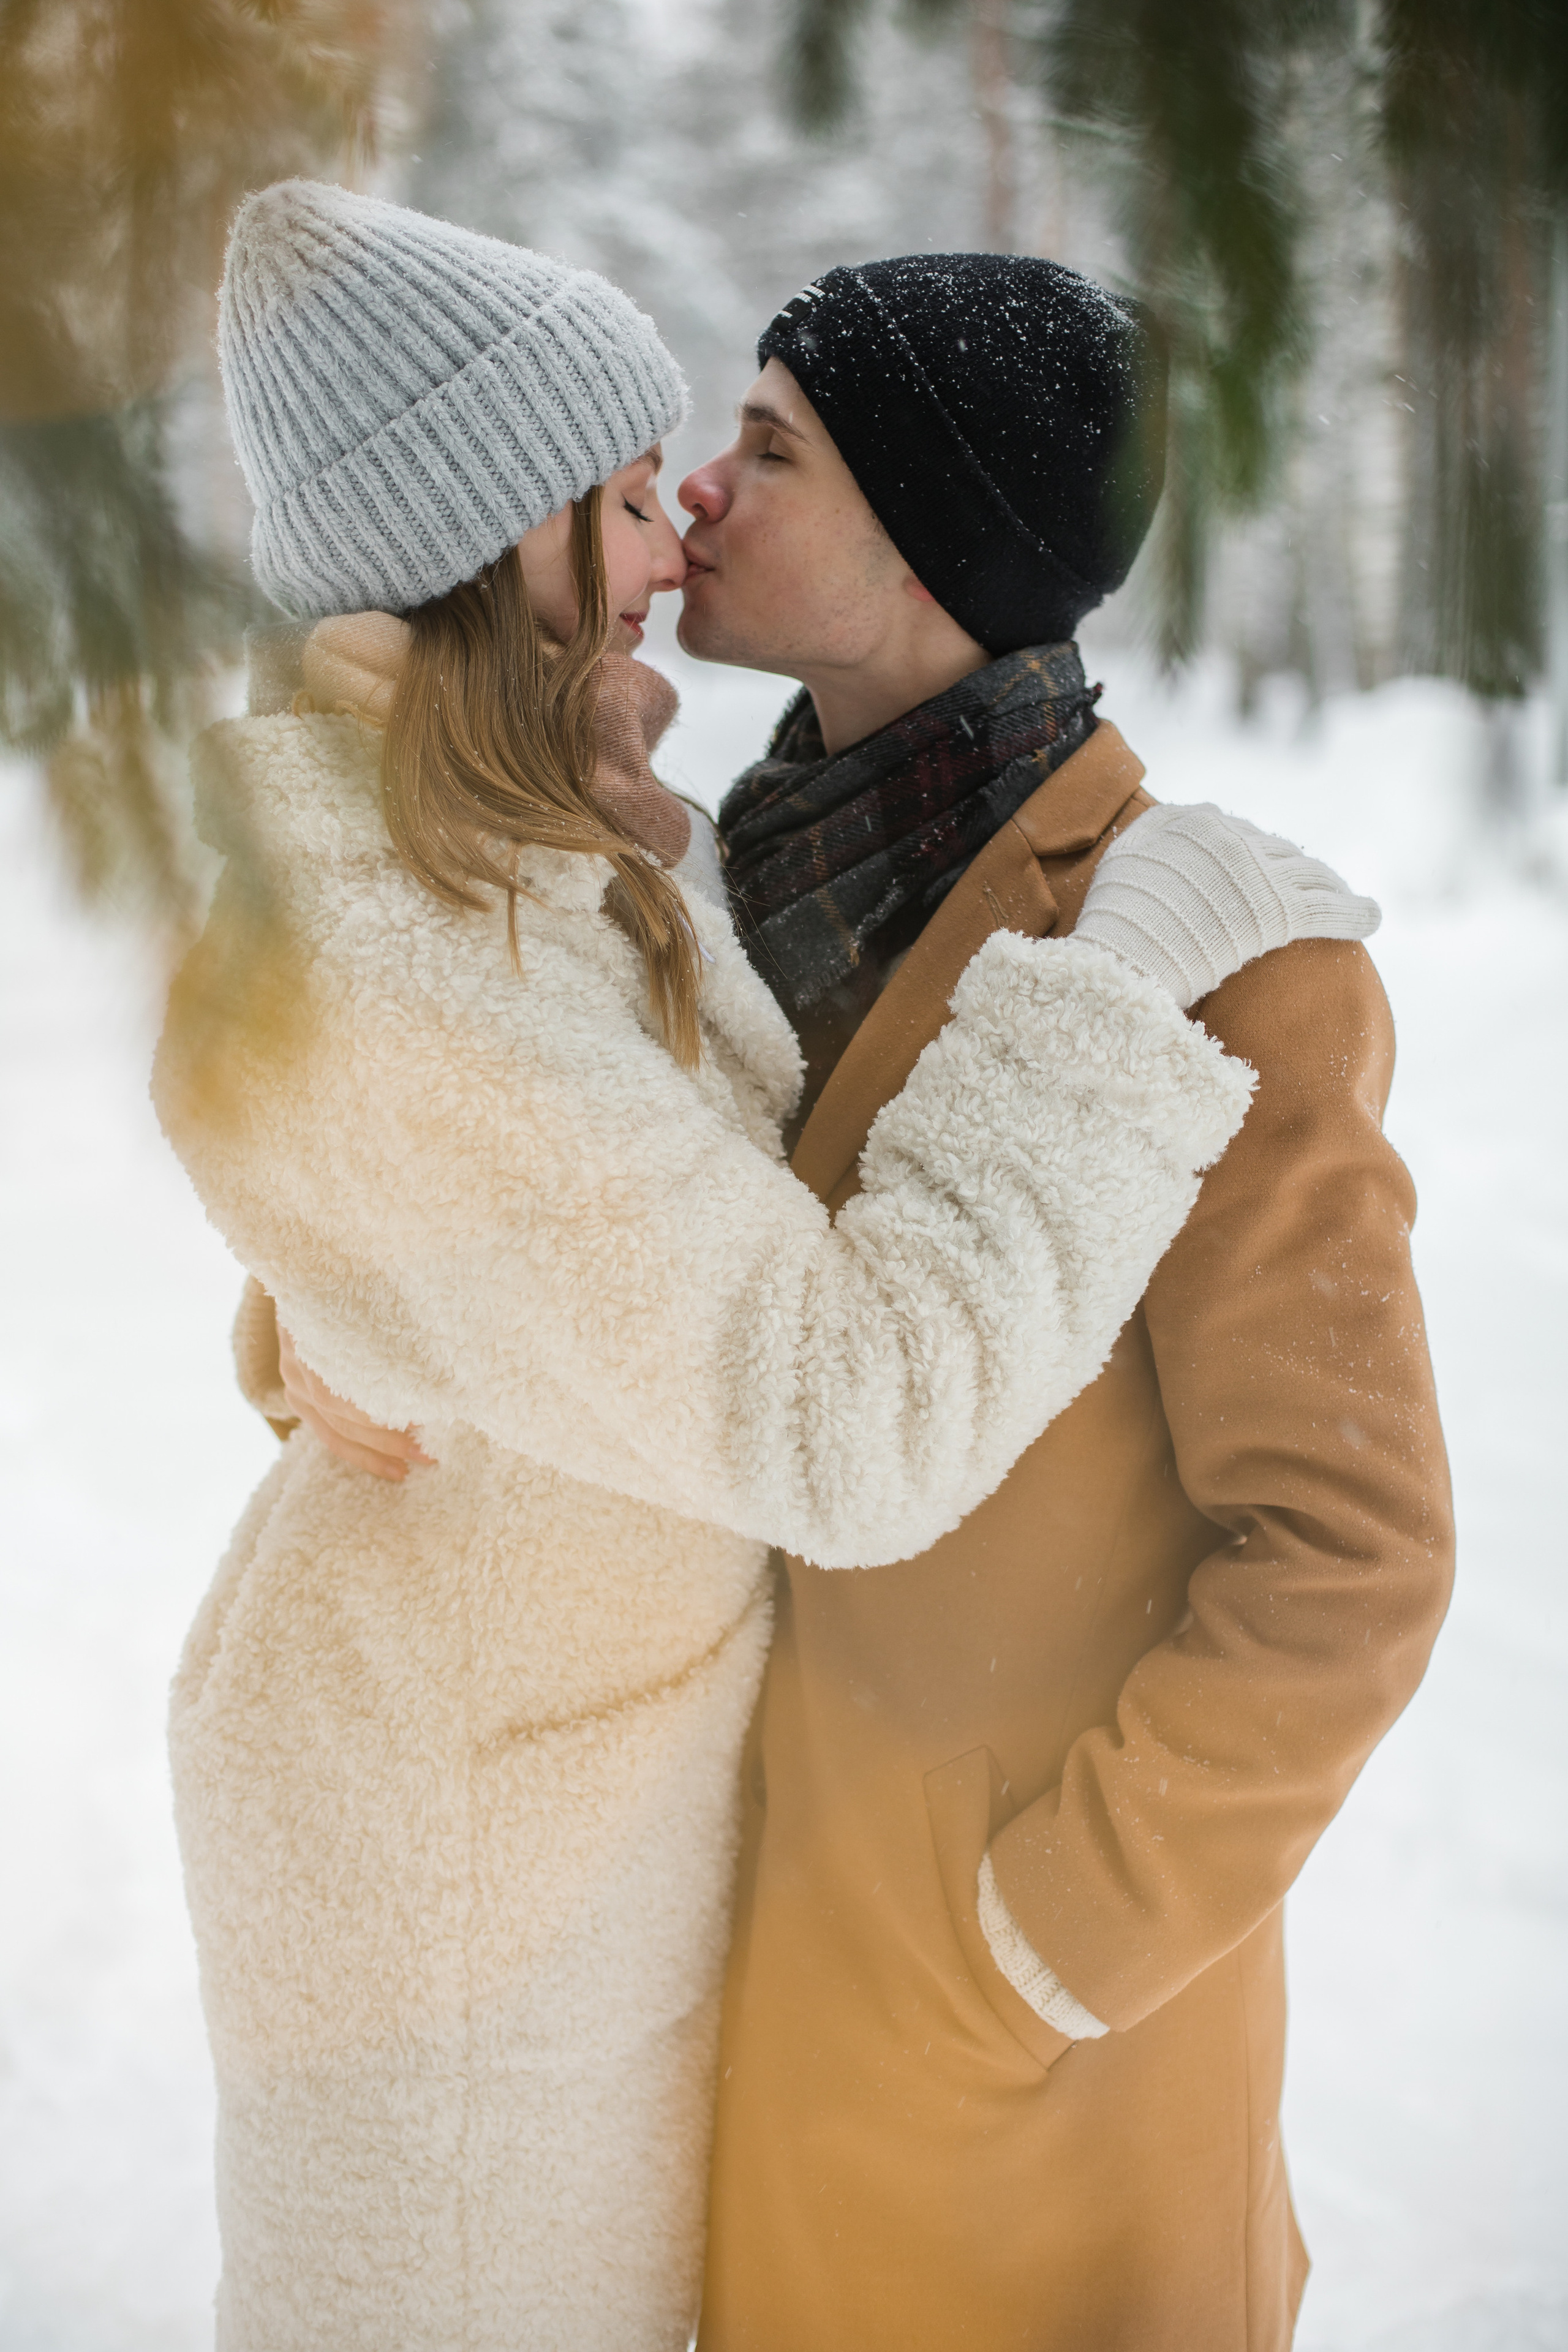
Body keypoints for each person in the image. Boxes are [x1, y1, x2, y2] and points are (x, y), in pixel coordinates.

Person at [154, 187, 1375, 2352]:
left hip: (989, 1987)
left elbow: (1351, 1545)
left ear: (921, 542)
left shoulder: (1207, 960)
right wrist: (336, 1295)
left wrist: (1058, 1937)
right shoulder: (701, 860)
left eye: (760, 447)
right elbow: (603, 1220)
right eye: (641, 480)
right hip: (654, 1925)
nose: (691, 506)